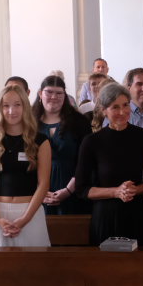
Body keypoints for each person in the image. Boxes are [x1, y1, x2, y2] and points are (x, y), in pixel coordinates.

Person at [74, 83, 143, 246]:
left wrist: (134, 190)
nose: (122, 112)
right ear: (104, 110)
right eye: (115, 107)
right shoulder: (91, 142)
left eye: (125, 105)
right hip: (106, 216)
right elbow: (82, 189)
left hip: (136, 214)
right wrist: (116, 192)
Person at [0, 85, 52, 247]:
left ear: (25, 107)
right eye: (6, 106)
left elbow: (44, 184)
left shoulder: (41, 141)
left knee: (34, 262)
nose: (11, 111)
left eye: (17, 105)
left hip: (30, 212)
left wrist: (25, 219)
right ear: (0, 109)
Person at [32, 75, 90, 216]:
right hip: (36, 193)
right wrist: (40, 191)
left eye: (59, 93)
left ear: (65, 96)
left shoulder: (79, 122)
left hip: (74, 190)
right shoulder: (29, 123)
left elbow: (86, 161)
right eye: (49, 92)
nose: (54, 97)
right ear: (40, 93)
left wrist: (68, 190)